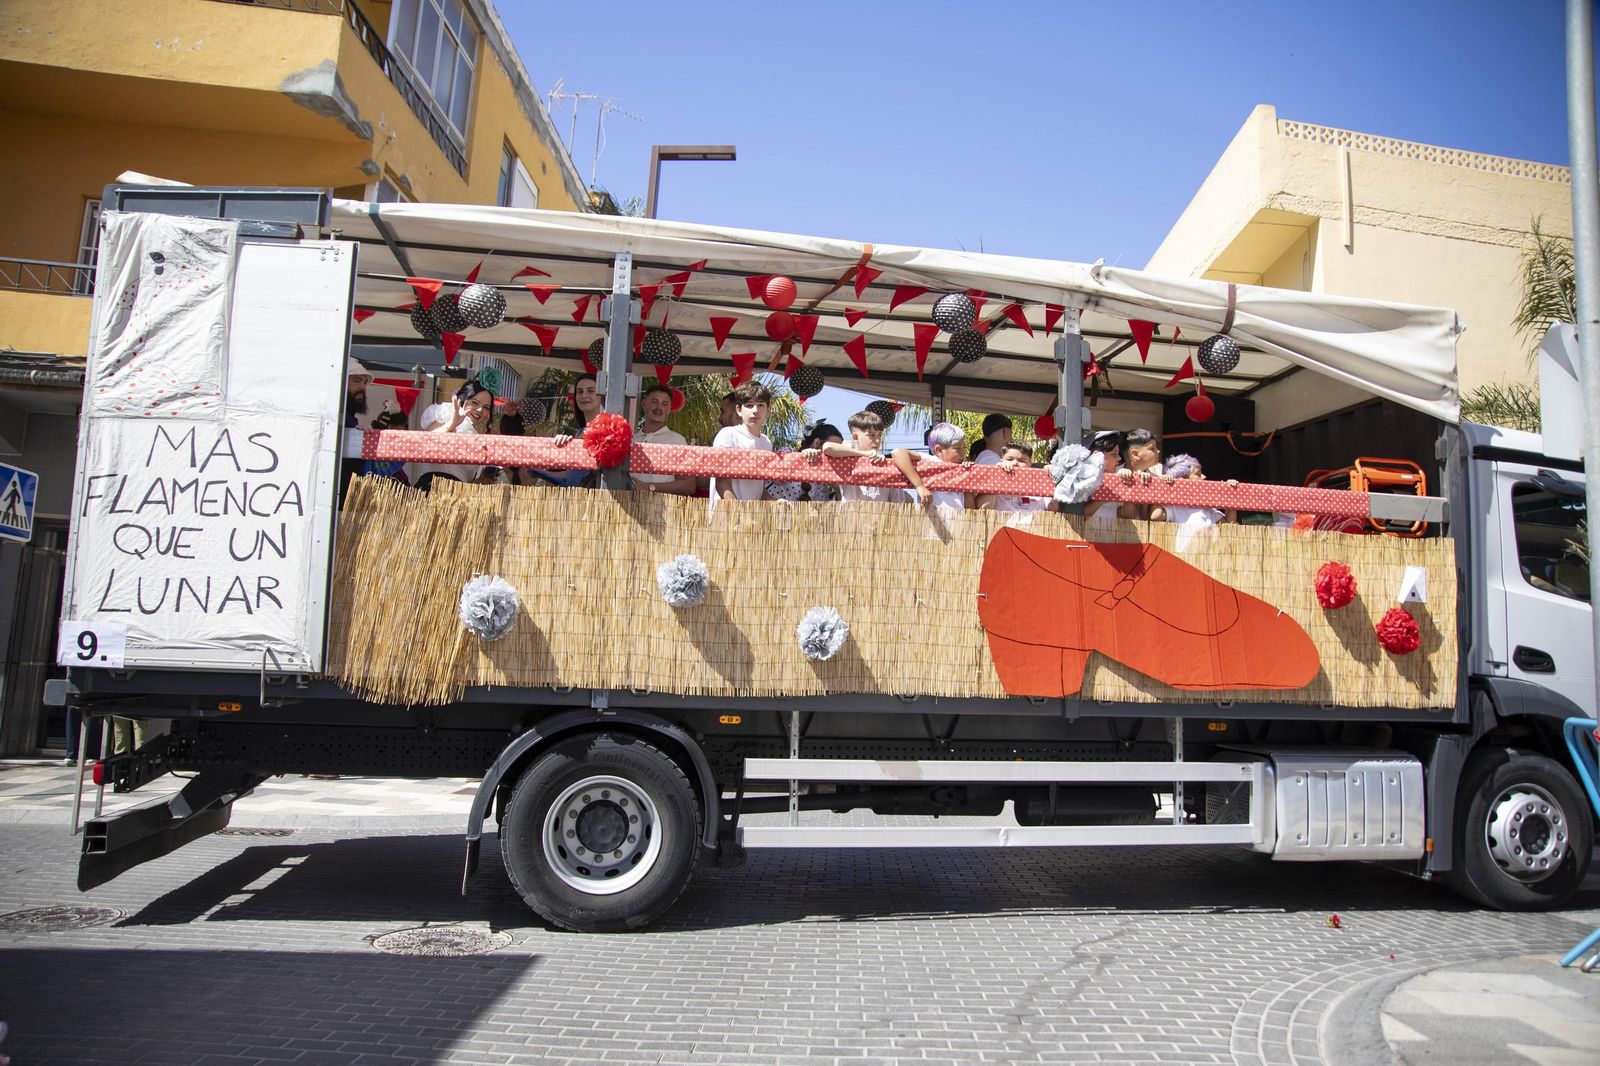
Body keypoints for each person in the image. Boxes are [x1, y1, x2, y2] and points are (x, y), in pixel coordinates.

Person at [415, 376, 495, 488]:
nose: (480, 410)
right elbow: (425, 443)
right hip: (431, 487)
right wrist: (451, 425)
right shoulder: (445, 412)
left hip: (458, 495)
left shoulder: (475, 435)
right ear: (463, 399)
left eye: (486, 407)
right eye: (475, 402)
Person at [712, 380, 774, 501]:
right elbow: (722, 483)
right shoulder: (728, 434)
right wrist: (739, 513)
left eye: (760, 405)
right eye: (749, 405)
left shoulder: (766, 443)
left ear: (768, 410)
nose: (755, 410)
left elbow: (759, 487)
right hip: (726, 515)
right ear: (739, 410)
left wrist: (775, 502)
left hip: (753, 516)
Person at [634, 384, 697, 495]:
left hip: (661, 509)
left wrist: (649, 487)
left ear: (669, 409)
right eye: (654, 402)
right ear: (644, 404)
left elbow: (689, 485)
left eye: (664, 404)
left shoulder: (677, 441)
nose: (659, 407)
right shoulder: (631, 439)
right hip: (625, 507)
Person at [896, 421, 971, 509]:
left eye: (964, 448)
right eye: (957, 448)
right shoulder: (933, 461)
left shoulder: (961, 468)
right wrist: (920, 486)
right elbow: (898, 453)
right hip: (934, 519)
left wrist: (968, 474)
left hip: (959, 520)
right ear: (939, 450)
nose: (963, 452)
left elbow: (970, 508)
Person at [768, 423, 845, 502]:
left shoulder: (820, 476)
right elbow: (775, 475)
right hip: (769, 511)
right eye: (832, 448)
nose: (835, 454)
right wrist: (801, 458)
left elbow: (823, 507)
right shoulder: (787, 452)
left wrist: (837, 488)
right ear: (817, 443)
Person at [1161, 453, 1237, 528]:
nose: (1204, 476)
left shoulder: (1207, 508)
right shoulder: (1174, 508)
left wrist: (1229, 493)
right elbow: (1156, 515)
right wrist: (1161, 485)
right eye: (1198, 474)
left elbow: (1229, 526)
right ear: (1182, 481)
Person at [977, 441, 1049, 512]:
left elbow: (1053, 508)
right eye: (1010, 459)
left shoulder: (1040, 483)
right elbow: (982, 509)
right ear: (1001, 460)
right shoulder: (994, 481)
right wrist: (997, 476)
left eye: (1021, 461)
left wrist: (1053, 475)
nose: (1015, 463)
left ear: (1030, 463)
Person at [1115, 427, 1166, 520]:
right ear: (1135, 454)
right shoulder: (1115, 475)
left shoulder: (1159, 473)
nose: (1157, 451)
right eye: (1152, 448)